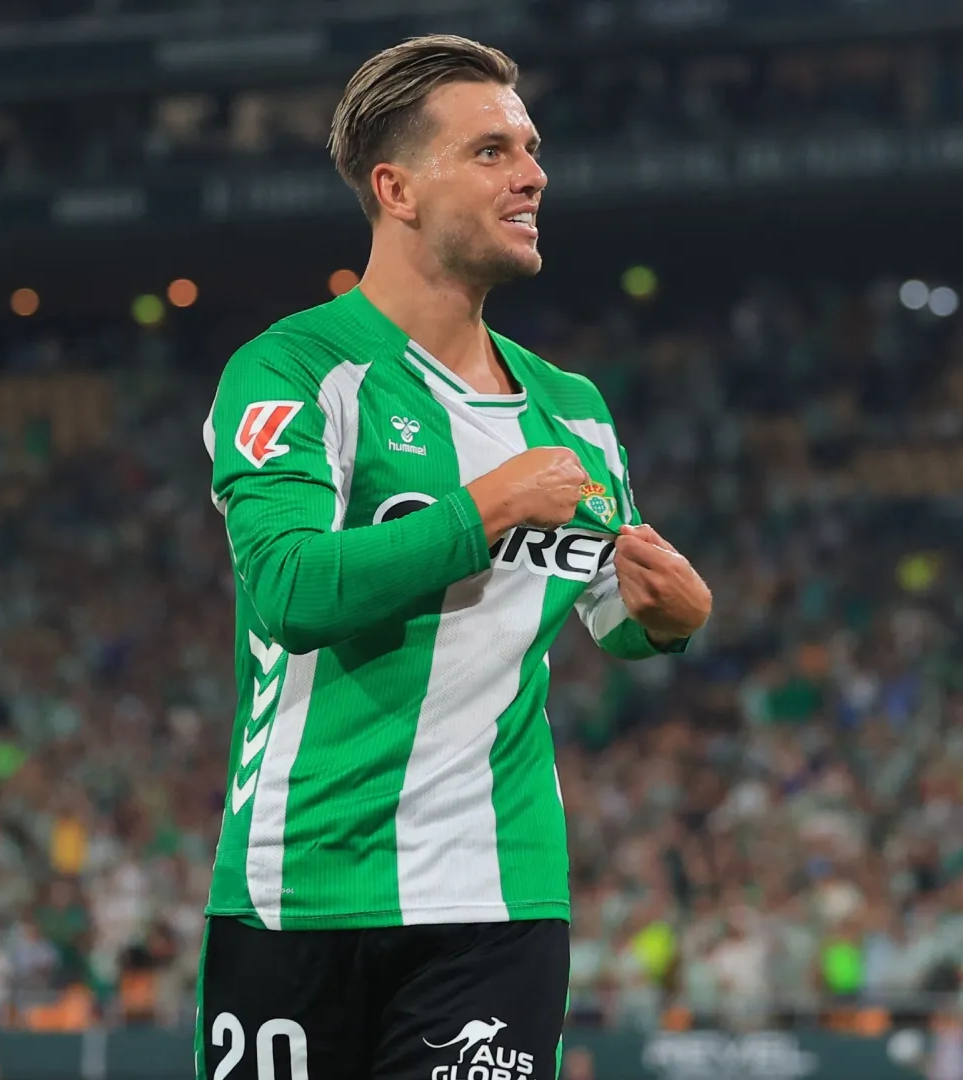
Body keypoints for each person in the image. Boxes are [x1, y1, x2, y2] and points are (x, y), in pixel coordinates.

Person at [198, 33, 713, 1080]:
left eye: (530, 148)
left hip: (496, 899)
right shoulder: (295, 370)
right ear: (397, 187)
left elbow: (614, 622)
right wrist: (487, 505)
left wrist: (675, 617)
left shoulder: (573, 411)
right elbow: (290, 588)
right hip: (298, 888)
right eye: (491, 151)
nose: (533, 174)